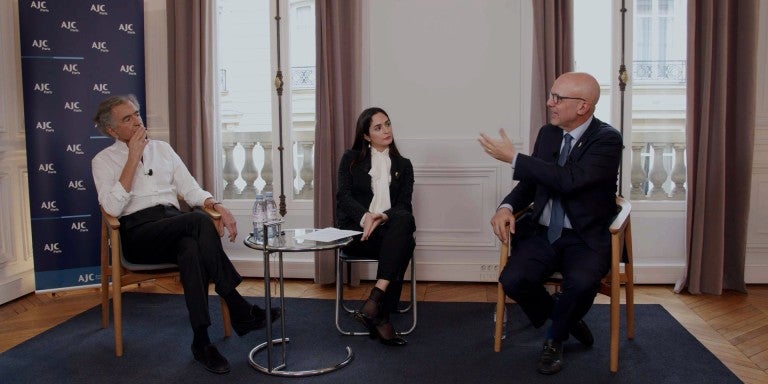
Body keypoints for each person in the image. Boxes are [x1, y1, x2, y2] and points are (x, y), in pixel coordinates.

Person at [91, 94, 280, 374]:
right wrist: (132, 158)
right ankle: (237, 306)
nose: (137, 121)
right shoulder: (103, 160)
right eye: (127, 119)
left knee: (191, 248)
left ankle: (201, 341)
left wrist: (217, 205)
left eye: (137, 113)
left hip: (174, 223)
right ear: (111, 130)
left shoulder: (163, 149)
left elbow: (190, 189)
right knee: (196, 223)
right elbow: (112, 207)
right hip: (137, 233)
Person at [478, 72, 623, 375]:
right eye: (551, 96)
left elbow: (570, 180)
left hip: (584, 236)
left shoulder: (607, 140)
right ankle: (565, 319)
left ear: (583, 106)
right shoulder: (549, 134)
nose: (549, 103)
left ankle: (554, 338)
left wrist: (515, 158)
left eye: (557, 98)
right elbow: (532, 183)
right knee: (513, 279)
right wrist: (505, 207)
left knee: (582, 283)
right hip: (543, 232)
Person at [336, 107, 416, 346]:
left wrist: (382, 216)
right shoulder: (350, 159)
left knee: (403, 220)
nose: (386, 130)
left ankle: (376, 300)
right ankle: (380, 314)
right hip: (357, 234)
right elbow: (343, 196)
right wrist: (366, 216)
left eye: (388, 124)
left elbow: (404, 206)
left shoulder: (404, 165)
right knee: (406, 242)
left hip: (388, 233)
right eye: (378, 127)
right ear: (366, 135)